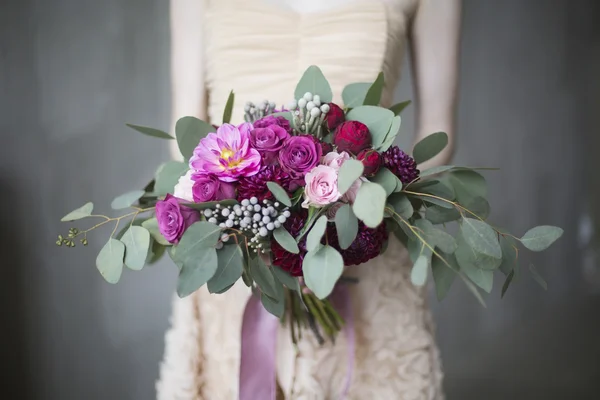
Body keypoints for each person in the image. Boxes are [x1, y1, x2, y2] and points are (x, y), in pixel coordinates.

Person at [157, 0, 461, 398]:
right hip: (237, 261)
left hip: (363, 246)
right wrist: (252, 217)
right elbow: (184, 138)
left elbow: (438, 134)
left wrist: (348, 200)